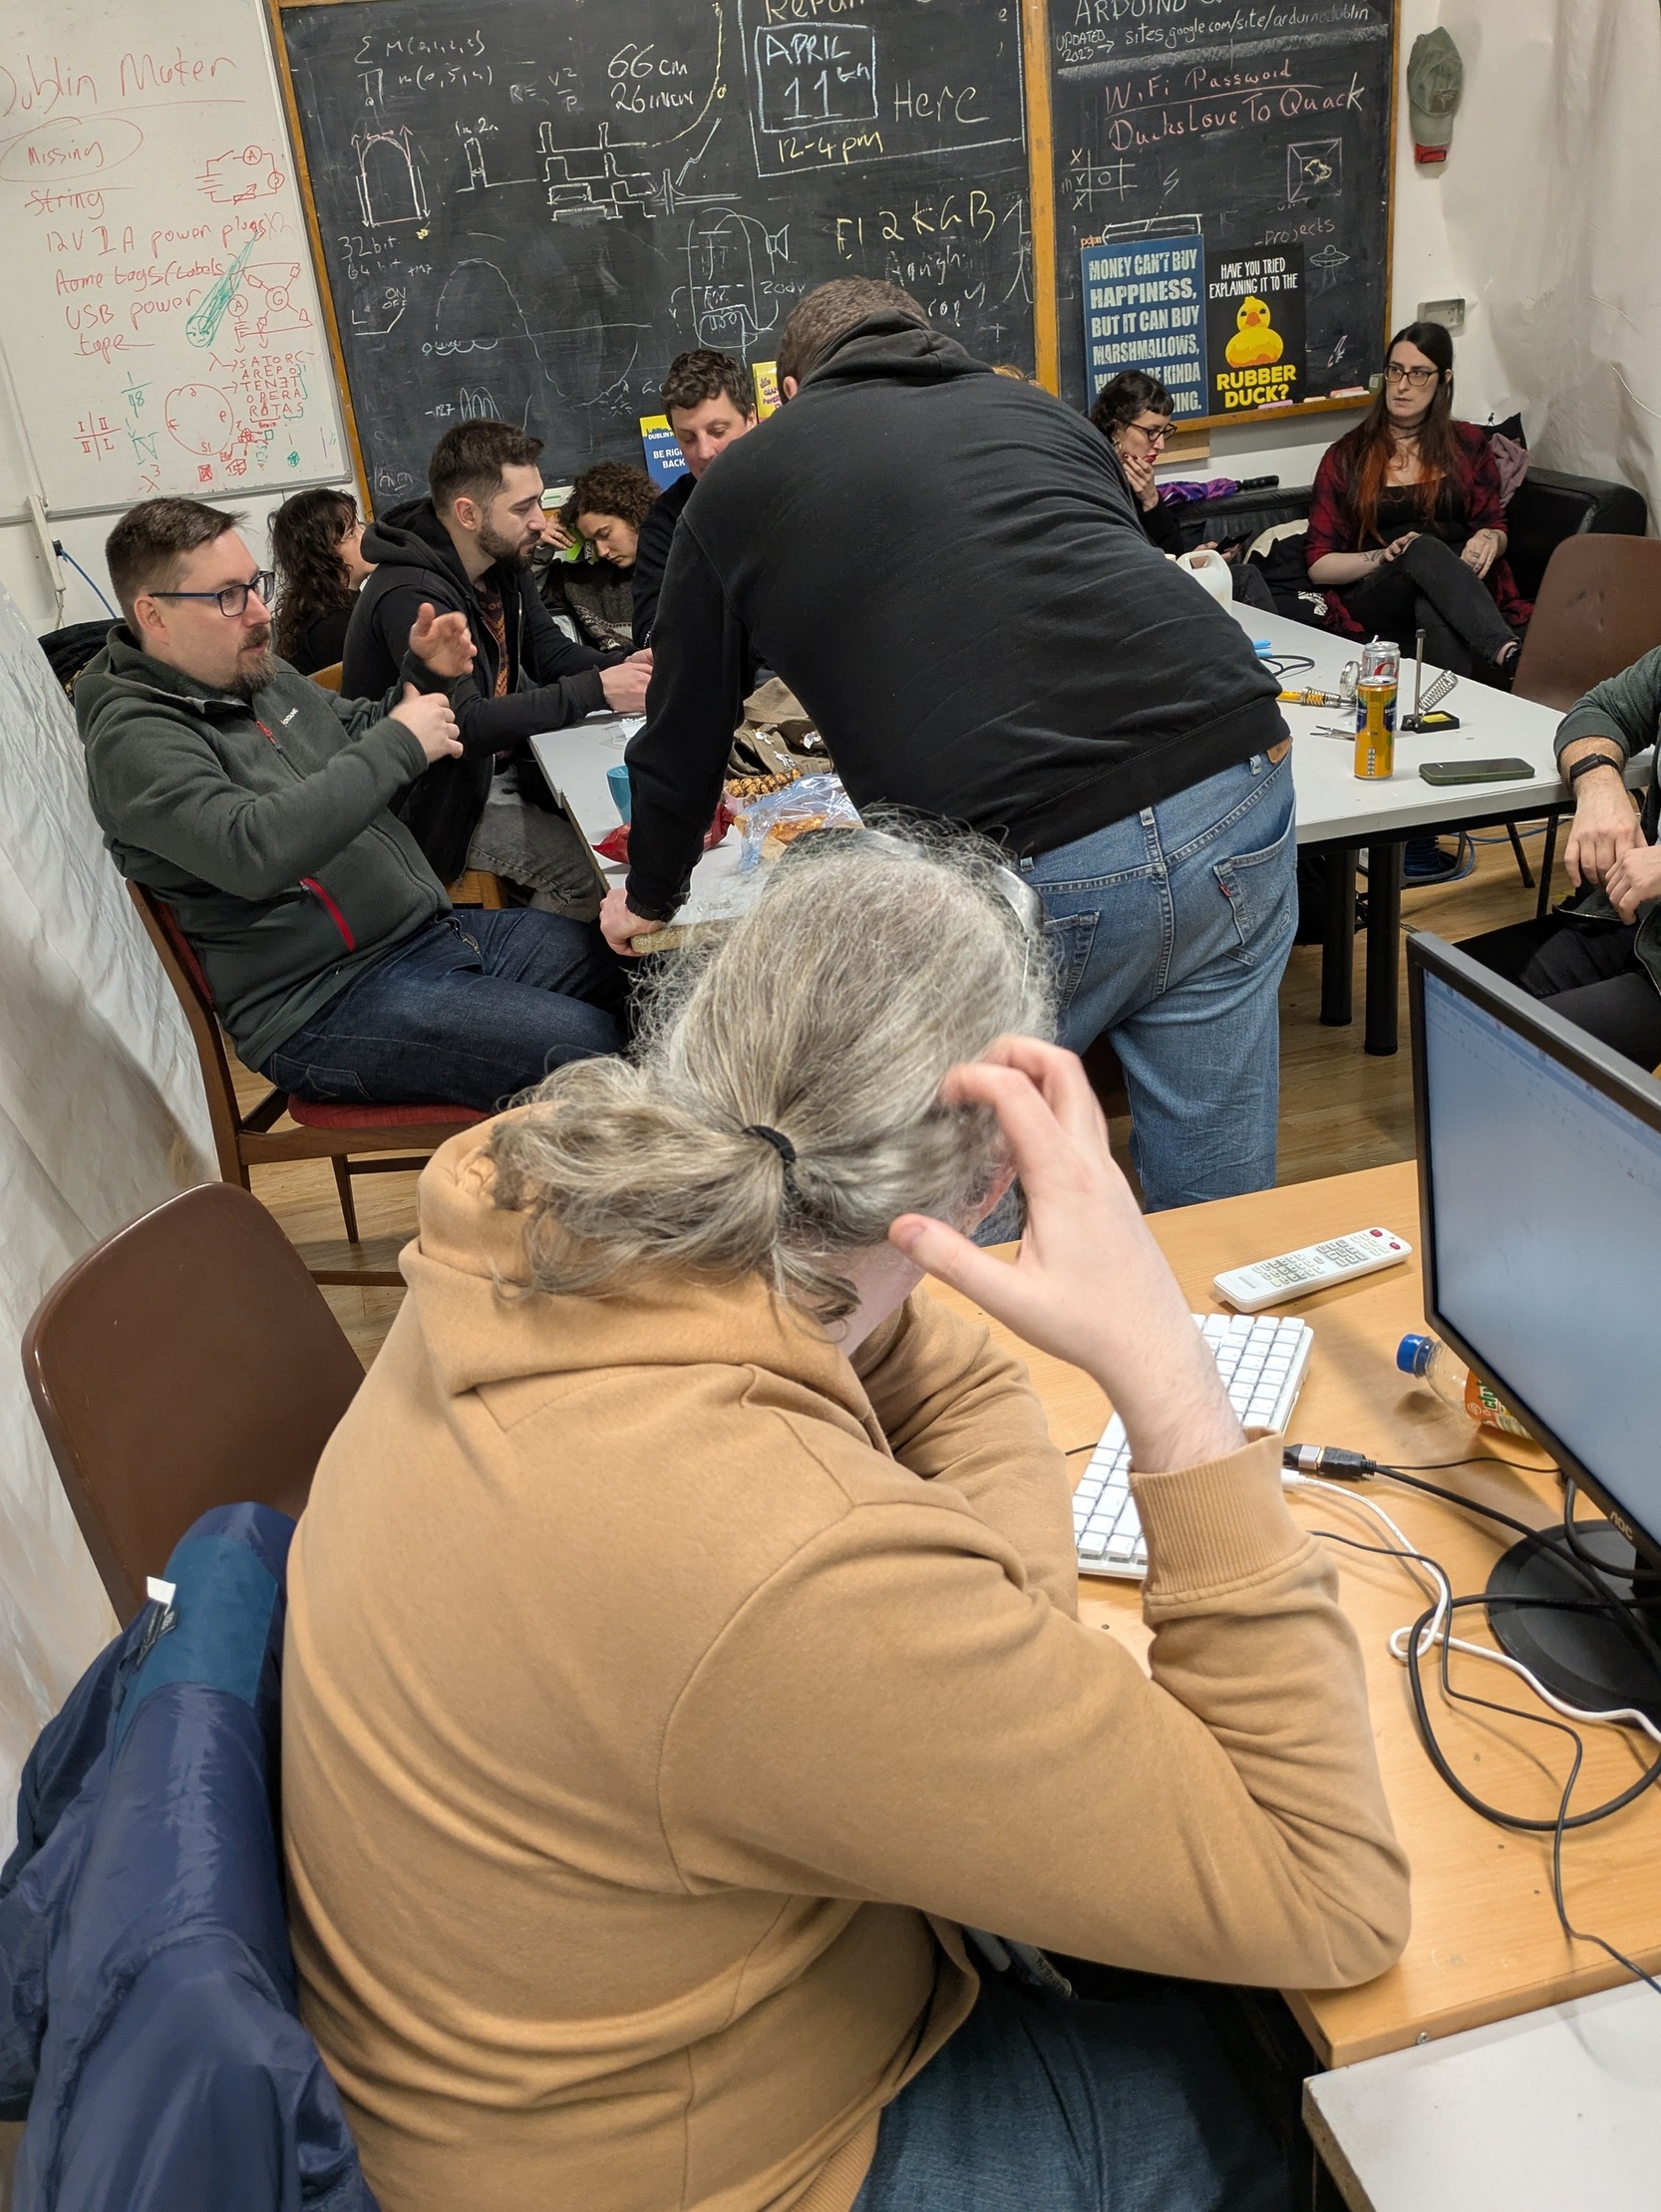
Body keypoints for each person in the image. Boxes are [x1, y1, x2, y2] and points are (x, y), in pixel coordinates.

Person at [282, 827, 1409, 2212]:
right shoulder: (782, 1556)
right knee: (1308, 2101)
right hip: (702, 2170)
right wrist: (1169, 1379)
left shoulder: (539, 1210)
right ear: (990, 1185)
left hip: (513, 2087)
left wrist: (986, 1647)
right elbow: (1327, 1891)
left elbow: (920, 1365)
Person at [603, 279, 1298, 1213]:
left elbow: (683, 726)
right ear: (927, 339)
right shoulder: (1042, 414)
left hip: (1032, 850)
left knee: (965, 1178)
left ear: (790, 391)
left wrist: (650, 894)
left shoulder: (739, 483)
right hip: (1236, 774)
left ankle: (996, 1307)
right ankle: (1222, 1292)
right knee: (1221, 1193)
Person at [80, 498, 626, 1109]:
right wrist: (401, 741)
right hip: (323, 1001)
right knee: (590, 1052)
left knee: (641, 975)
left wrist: (426, 676)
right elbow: (252, 851)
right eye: (229, 596)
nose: (259, 613)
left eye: (256, 585)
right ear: (153, 614)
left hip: (424, 935)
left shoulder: (254, 674)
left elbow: (361, 726)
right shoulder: (134, 739)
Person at [343, 421, 653, 902]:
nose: (540, 521)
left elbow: (549, 653)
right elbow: (463, 725)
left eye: (539, 501)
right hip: (431, 808)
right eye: (523, 507)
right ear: (468, 513)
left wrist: (630, 666)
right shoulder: (412, 594)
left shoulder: (501, 559)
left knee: (634, 824)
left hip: (496, 769)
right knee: (588, 877)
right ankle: (534, 950)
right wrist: (598, 689)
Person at [1461, 645, 1661, 1067]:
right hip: (1640, 917)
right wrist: (1600, 785)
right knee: (1450, 981)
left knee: (1524, 1045)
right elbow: (1599, 710)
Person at [1305, 322, 1529, 679]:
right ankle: (1509, 655)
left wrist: (1490, 539)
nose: (1403, 385)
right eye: (1395, 371)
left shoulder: (1467, 443)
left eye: (1419, 374)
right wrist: (1382, 556)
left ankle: (1447, 708)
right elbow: (1319, 565)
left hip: (1460, 583)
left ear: (1444, 379)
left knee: (1432, 603)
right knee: (1421, 548)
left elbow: (1494, 525)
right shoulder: (1347, 455)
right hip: (1380, 589)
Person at [632, 349, 759, 643]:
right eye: (687, 438)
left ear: (751, 418)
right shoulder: (666, 521)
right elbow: (651, 630)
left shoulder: (797, 490)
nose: (704, 452)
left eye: (718, 431)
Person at [533, 461, 659, 650]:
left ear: (635, 515)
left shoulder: (684, 568)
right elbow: (526, 592)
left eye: (605, 534)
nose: (601, 551)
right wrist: (539, 545)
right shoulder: (587, 583)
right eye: (592, 542)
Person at [270, 487, 373, 675]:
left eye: (359, 524)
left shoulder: (331, 606)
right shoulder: (332, 627)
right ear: (322, 555)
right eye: (351, 533)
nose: (365, 534)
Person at [1089, 370, 1185, 552]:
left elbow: (1173, 553)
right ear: (1117, 428)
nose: (1161, 444)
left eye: (1164, 431)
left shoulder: (1141, 482)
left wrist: (1151, 500)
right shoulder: (1093, 478)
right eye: (1152, 431)